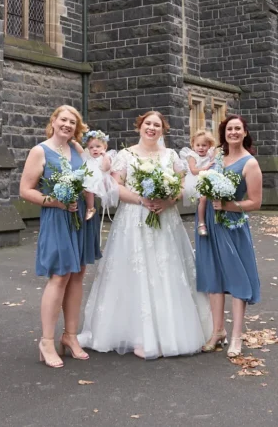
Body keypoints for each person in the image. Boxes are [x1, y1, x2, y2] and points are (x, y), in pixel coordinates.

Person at [78, 111, 213, 359]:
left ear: (162, 130)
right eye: (148, 124)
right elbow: (115, 186)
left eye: (157, 125)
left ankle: (170, 333)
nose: (152, 128)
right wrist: (142, 200)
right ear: (140, 126)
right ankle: (138, 335)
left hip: (165, 219)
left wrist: (168, 200)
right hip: (133, 219)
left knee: (167, 271)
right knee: (134, 274)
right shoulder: (125, 155)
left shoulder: (171, 155)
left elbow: (183, 185)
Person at [18, 105, 95, 369]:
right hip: (57, 217)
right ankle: (47, 341)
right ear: (53, 121)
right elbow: (25, 190)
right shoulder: (40, 151)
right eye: (63, 120)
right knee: (60, 275)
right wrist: (56, 201)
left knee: (78, 273)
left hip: (80, 216)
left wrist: (91, 206)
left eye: (72, 122)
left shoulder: (77, 149)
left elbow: (87, 181)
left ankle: (70, 336)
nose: (67, 125)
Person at [195, 114, 262, 358]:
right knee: (213, 277)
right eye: (229, 129)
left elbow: (255, 202)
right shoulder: (218, 158)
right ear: (224, 133)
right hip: (209, 224)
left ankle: (236, 337)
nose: (233, 132)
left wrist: (227, 206)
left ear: (244, 133)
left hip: (232, 225)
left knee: (237, 279)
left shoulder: (249, 163)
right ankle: (217, 331)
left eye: (237, 129)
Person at [180, 130, 217, 235]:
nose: (201, 148)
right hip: (195, 179)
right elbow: (193, 170)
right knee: (203, 198)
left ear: (209, 146)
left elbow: (216, 159)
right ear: (193, 145)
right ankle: (201, 222)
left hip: (207, 178)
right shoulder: (192, 156)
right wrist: (206, 168)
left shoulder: (210, 154)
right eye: (198, 145)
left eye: (204, 145)